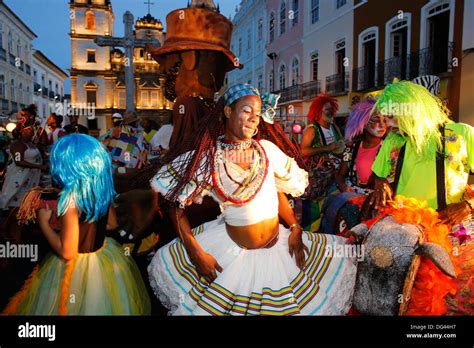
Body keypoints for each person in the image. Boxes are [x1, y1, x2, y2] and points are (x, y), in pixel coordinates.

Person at [147, 84, 357, 315]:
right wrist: (195, 252)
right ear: (228, 111)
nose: (253, 119)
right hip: (232, 258)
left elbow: (277, 192)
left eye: (257, 114)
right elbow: (176, 208)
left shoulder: (266, 151)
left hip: (279, 251)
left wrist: (296, 227)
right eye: (247, 111)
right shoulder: (209, 158)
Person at [2, 134, 151, 315]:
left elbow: (67, 251)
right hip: (102, 257)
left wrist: (44, 224)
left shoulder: (69, 200)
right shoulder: (101, 192)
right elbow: (112, 225)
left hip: (75, 268)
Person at [370, 80, 474, 224]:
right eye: (384, 118)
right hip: (405, 227)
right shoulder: (393, 140)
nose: (387, 124)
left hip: (449, 228)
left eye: (391, 116)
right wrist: (381, 182)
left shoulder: (462, 133)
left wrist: (468, 206)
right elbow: (378, 175)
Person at [300, 94, 345, 232]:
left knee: (331, 210)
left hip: (334, 178)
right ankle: (309, 238)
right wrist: (327, 148)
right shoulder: (312, 129)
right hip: (317, 180)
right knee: (312, 213)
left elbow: (340, 148)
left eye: (332, 109)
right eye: (327, 109)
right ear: (318, 111)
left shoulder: (334, 128)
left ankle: (326, 237)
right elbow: (303, 151)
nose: (330, 112)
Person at [335, 98, 388, 195]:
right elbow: (340, 175)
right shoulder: (350, 148)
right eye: (376, 120)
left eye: (385, 120)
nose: (382, 125)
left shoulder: (391, 148)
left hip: (376, 200)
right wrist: (343, 186)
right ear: (363, 123)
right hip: (353, 199)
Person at [0, 125, 47, 211]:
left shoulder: (31, 144)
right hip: (20, 177)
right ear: (21, 131)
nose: (31, 130)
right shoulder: (18, 145)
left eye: (31, 128)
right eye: (28, 129)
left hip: (30, 177)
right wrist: (39, 166)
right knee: (17, 202)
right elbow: (18, 162)